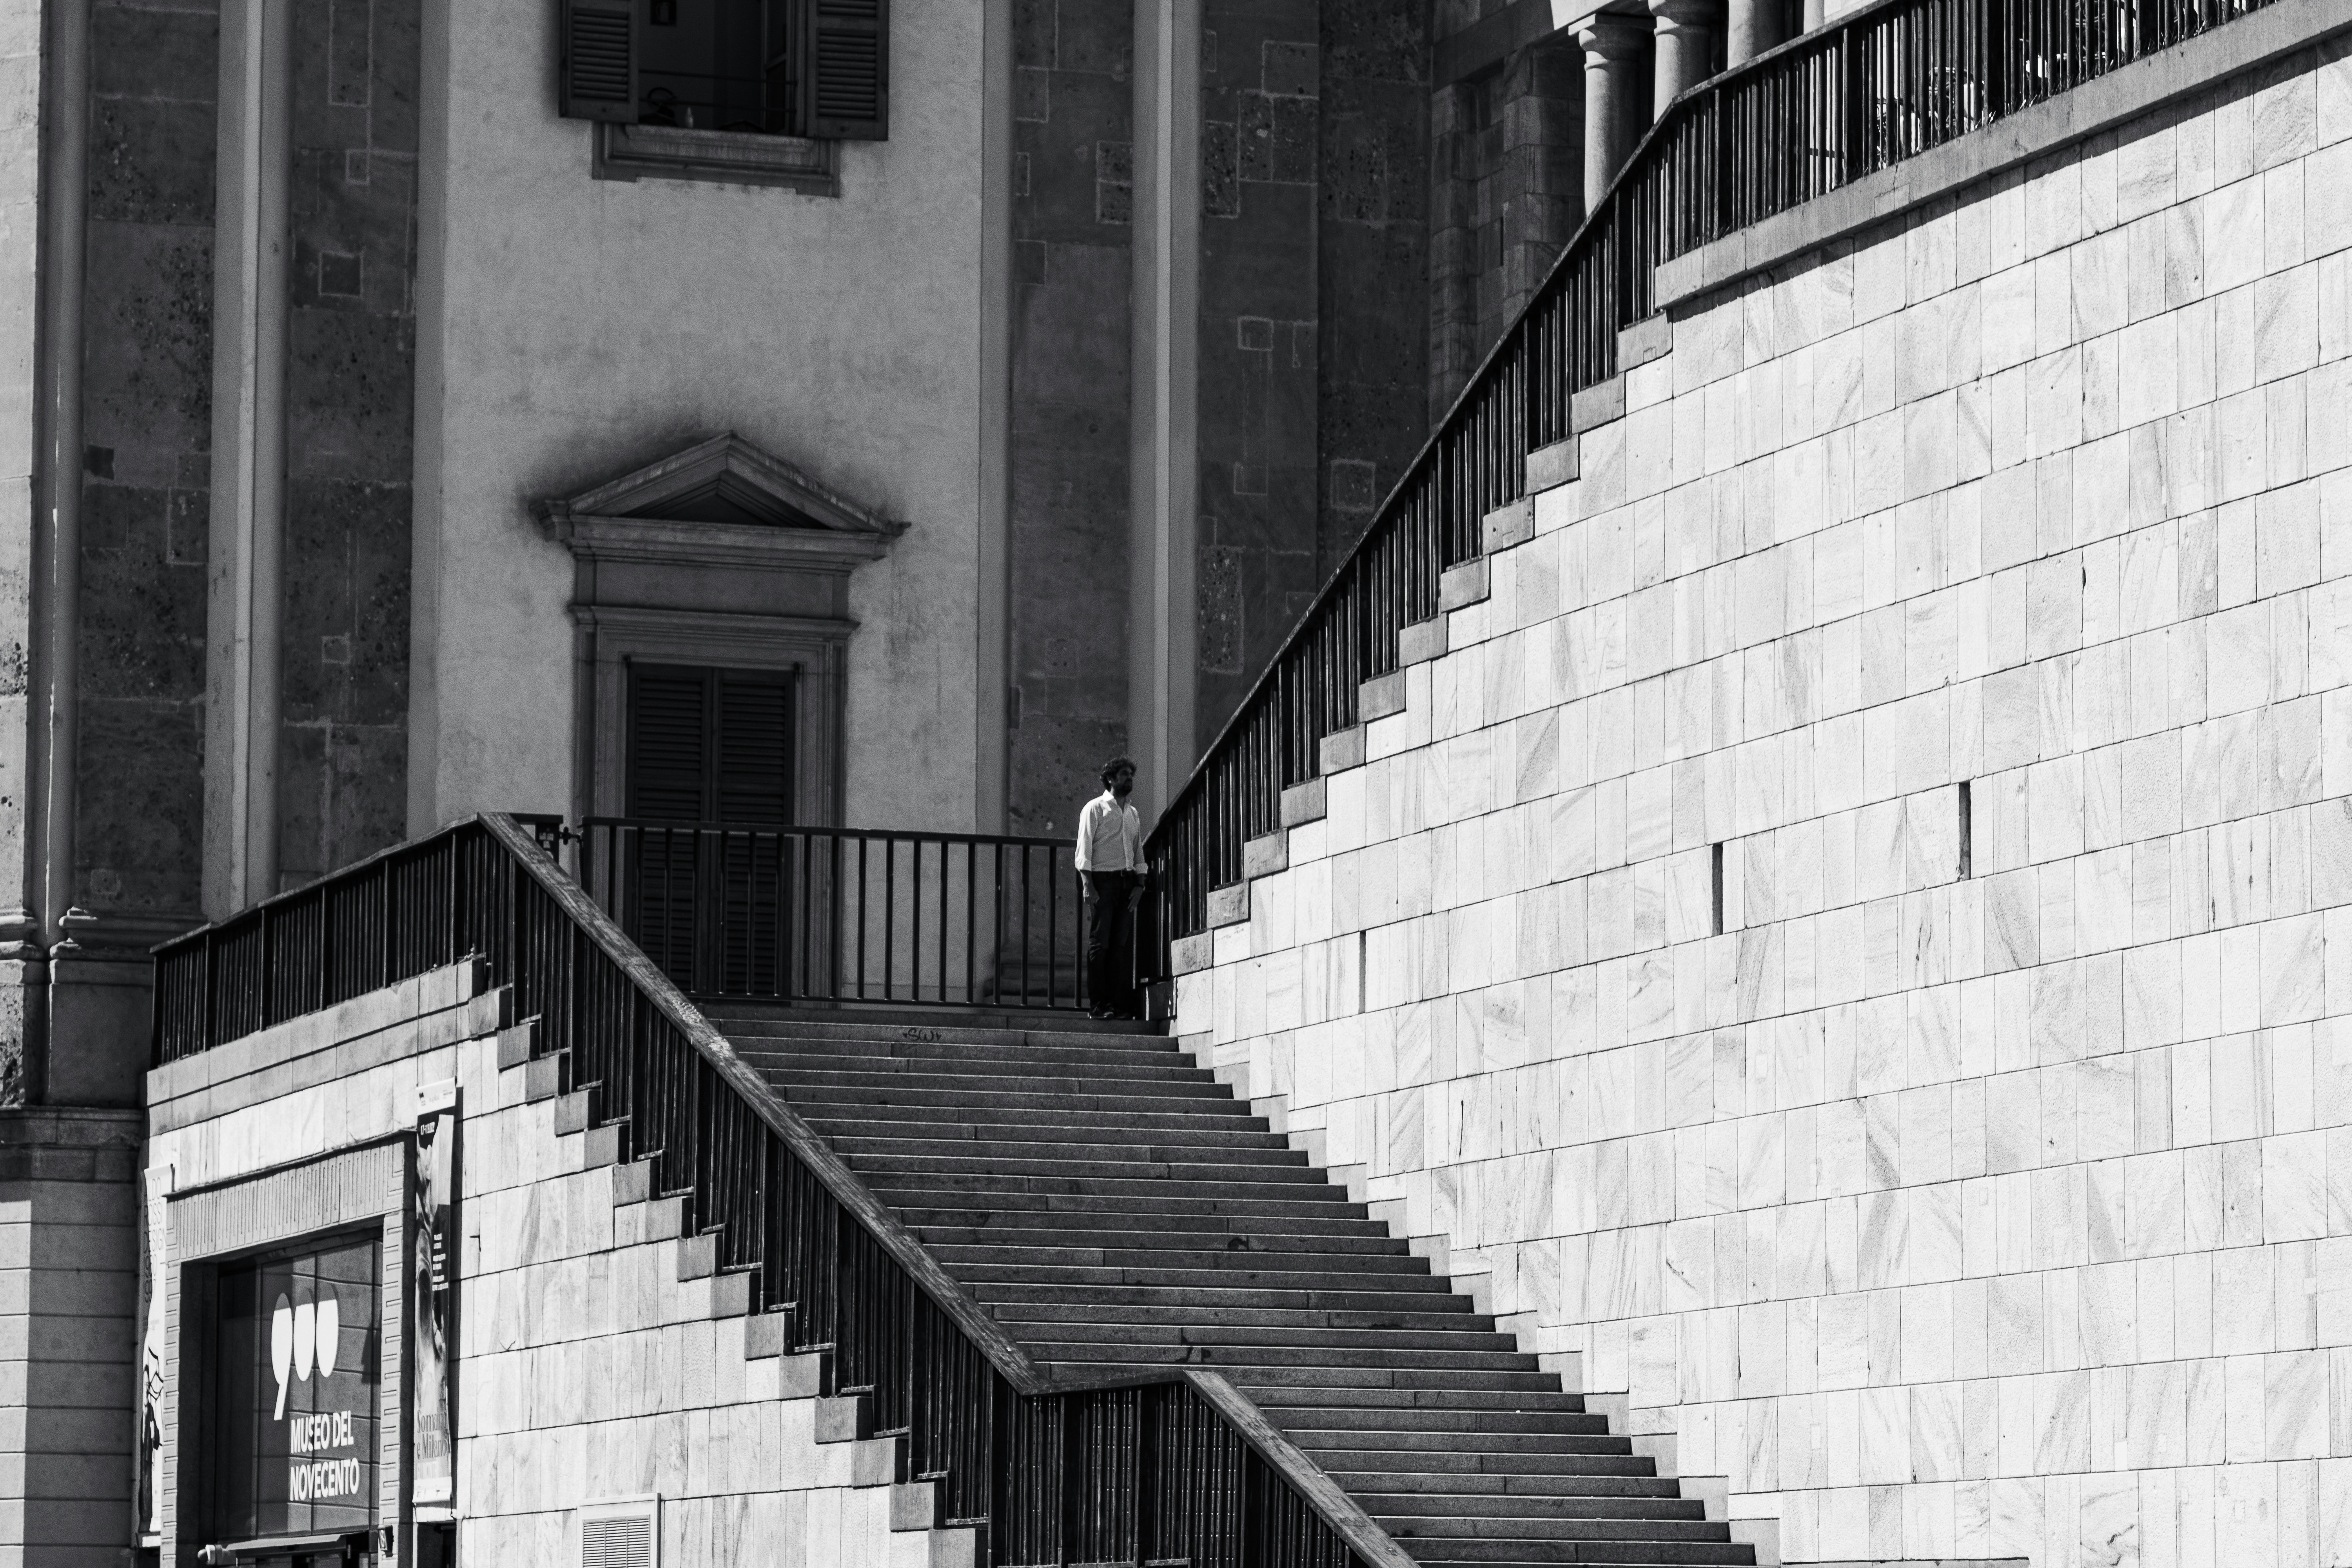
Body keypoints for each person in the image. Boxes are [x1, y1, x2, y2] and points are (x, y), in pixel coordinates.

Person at [1075, 756, 1145, 1019]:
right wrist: (1087, 884)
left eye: (1131, 775)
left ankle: (1115, 1005)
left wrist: (1140, 883)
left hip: (1127, 883)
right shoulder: (1095, 809)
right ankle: (1098, 1005)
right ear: (1111, 779)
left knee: (1118, 947)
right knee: (1100, 944)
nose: (1129, 779)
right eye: (1125, 775)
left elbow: (1138, 850)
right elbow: (1084, 848)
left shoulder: (1133, 813)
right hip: (1103, 882)